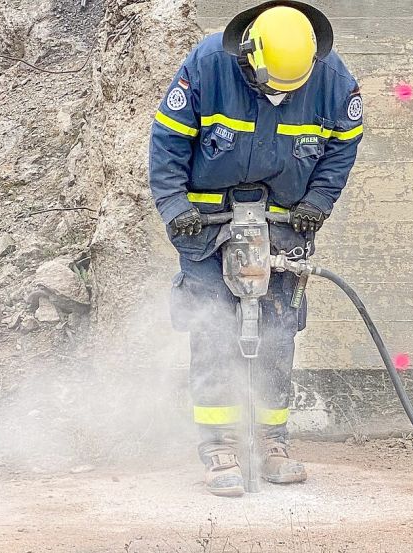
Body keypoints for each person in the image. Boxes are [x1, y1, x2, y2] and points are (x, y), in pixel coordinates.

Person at [148, 0, 363, 497]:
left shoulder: (333, 80)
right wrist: (176, 206)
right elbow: (168, 143)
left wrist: (318, 201)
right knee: (212, 330)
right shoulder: (207, 66)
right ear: (250, 53)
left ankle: (272, 440)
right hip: (206, 221)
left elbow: (343, 146)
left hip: (286, 221)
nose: (276, 96)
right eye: (269, 85)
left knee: (279, 332)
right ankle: (219, 446)